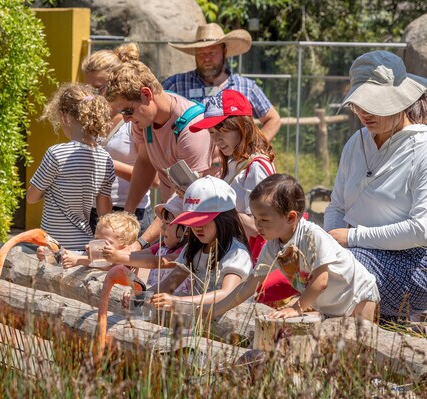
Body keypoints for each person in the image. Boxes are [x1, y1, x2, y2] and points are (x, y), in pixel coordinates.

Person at [323, 50, 427, 321]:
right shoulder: (356, 143)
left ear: (401, 102)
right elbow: (336, 205)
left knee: (347, 272)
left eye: (374, 105)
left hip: (413, 263)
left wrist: (351, 239)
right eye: (359, 104)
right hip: (353, 251)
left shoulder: (422, 150)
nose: (364, 113)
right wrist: (329, 242)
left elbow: (422, 230)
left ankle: (356, 353)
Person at [208, 174, 379, 322]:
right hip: (332, 305)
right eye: (254, 218)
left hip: (359, 296)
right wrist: (215, 310)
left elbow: (321, 281)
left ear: (290, 217)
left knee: (359, 345)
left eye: (264, 219)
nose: (257, 225)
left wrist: (296, 308)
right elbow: (250, 284)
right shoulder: (272, 246)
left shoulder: (312, 236)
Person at [189, 89, 298, 306]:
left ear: (242, 127)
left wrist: (215, 209)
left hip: (259, 261)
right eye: (212, 133)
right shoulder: (231, 163)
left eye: (223, 131)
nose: (217, 139)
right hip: (238, 255)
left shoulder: (256, 166)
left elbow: (261, 226)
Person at [104, 59, 211, 249]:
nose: (126, 119)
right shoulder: (144, 121)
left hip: (203, 229)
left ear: (147, 94)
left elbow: (187, 198)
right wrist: (127, 217)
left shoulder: (192, 129)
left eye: (128, 111)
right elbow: (144, 163)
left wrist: (140, 243)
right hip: (172, 224)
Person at [139, 176, 253, 311]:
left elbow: (227, 293)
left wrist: (178, 301)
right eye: (192, 222)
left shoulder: (236, 253)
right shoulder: (193, 249)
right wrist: (141, 298)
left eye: (202, 221)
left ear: (224, 218)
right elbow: (169, 284)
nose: (197, 227)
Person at [27, 83, 115, 251]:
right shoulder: (106, 159)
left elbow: (31, 197)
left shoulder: (56, 153)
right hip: (82, 246)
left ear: (64, 116)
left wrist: (49, 188)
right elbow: (104, 212)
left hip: (52, 245)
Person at [163, 23, 281, 142]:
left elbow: (273, 119)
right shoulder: (175, 85)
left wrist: (255, 148)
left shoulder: (246, 87)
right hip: (187, 159)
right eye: (201, 53)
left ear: (224, 52)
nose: (207, 59)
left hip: (234, 160)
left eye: (212, 53)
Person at [81, 43, 154, 235]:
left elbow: (154, 180)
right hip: (94, 211)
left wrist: (106, 163)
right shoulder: (91, 117)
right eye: (89, 89)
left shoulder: (134, 120)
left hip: (130, 214)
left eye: (99, 88)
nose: (93, 95)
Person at [101, 196, 190, 295]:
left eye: (168, 223)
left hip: (175, 306)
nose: (162, 227)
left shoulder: (185, 252)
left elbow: (156, 262)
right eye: (163, 222)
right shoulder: (163, 246)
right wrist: (113, 254)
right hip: (153, 300)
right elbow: (139, 254)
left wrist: (118, 258)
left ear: (186, 229)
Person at [54, 211, 140, 269]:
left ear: (124, 248)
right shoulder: (91, 256)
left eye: (103, 242)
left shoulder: (127, 262)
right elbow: (73, 255)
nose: (89, 246)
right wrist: (55, 254)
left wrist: (79, 260)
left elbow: (109, 265)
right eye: (96, 239)